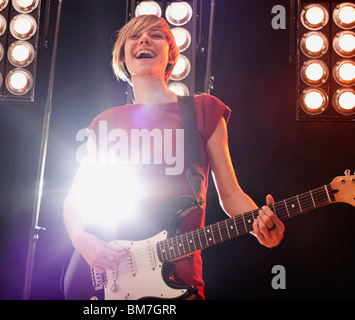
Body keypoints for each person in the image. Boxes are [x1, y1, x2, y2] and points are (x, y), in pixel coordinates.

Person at [63, 14, 285, 300]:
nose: (144, 39)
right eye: (135, 36)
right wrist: (82, 240)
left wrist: (261, 227)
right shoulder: (105, 122)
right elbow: (75, 201)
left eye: (155, 35)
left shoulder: (203, 110)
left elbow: (230, 195)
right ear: (122, 57)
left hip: (182, 287)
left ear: (171, 55)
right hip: (115, 282)